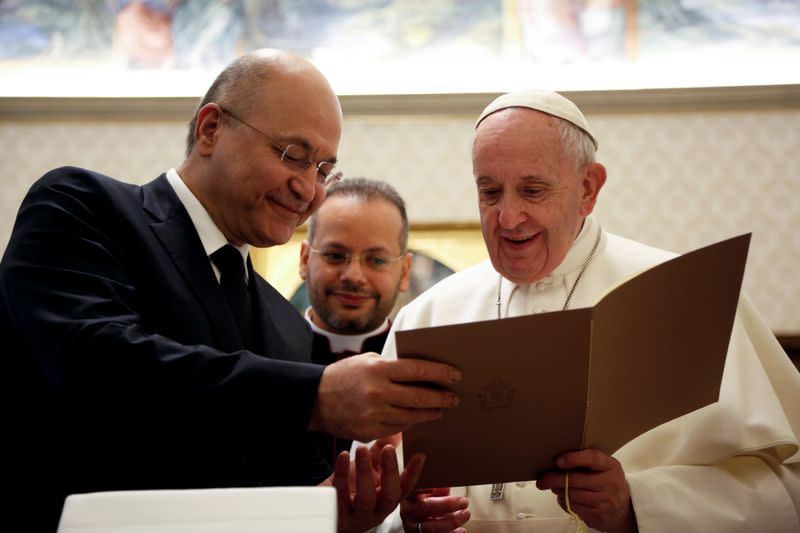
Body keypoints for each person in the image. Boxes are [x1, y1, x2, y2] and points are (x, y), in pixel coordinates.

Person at [0, 49, 463, 533]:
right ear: (210, 130)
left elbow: (284, 497)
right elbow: (98, 367)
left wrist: (341, 510)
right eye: (293, 156)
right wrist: (317, 397)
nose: (307, 189)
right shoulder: (82, 207)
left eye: (323, 170)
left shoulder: (284, 322)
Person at [377, 89, 800, 532]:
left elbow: (785, 490)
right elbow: (370, 500)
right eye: (489, 192)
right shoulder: (429, 316)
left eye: (532, 190)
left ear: (588, 188)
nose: (507, 217)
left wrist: (638, 505)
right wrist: (407, 522)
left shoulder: (690, 299)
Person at [299, 177, 413, 467]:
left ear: (404, 272)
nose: (353, 276)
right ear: (303, 260)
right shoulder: (262, 348)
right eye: (335, 255)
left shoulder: (420, 365)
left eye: (376, 260)